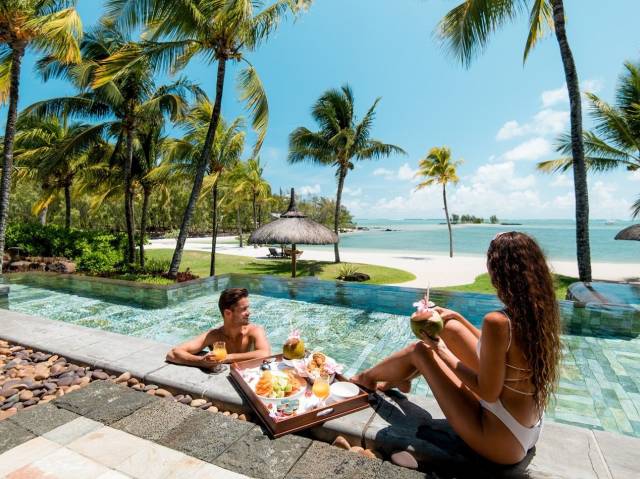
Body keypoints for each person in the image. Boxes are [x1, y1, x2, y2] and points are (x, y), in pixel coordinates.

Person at [351, 232, 561, 465]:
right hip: (526, 426)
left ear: (498, 273)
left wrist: (440, 350)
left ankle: (366, 379)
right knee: (449, 327)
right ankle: (397, 378)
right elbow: (500, 352)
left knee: (420, 351)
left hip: (501, 439)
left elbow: (488, 392)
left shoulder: (497, 321)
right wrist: (458, 318)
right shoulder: (540, 311)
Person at [166, 288, 271, 369]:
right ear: (228, 313)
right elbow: (173, 353)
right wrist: (200, 361)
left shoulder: (255, 331)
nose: (249, 312)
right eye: (244, 309)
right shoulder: (214, 336)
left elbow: (265, 354)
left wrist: (226, 358)